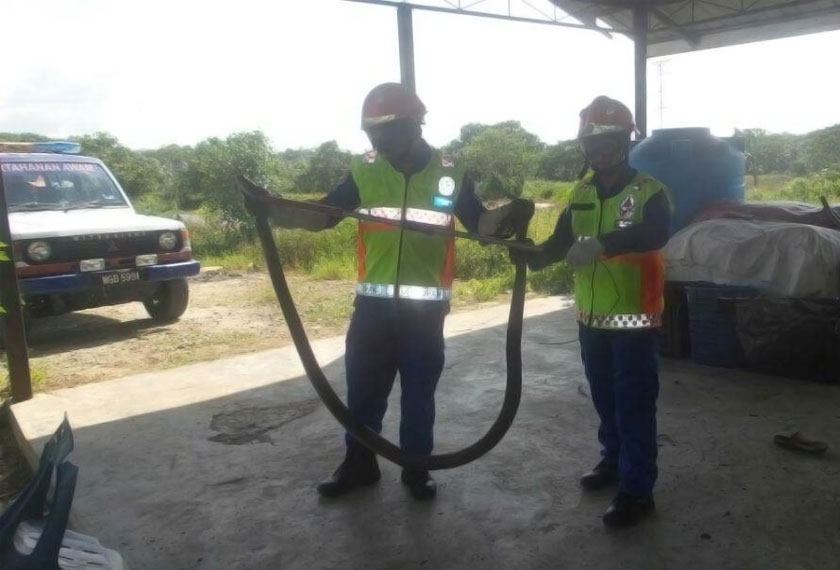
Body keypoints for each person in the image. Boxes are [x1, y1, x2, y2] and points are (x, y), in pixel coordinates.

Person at [247, 82, 533, 501]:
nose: (378, 144)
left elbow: (481, 227)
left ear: (415, 126)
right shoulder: (366, 169)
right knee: (363, 392)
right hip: (373, 308)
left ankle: (417, 469)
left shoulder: (449, 171)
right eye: (371, 135)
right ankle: (359, 464)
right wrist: (272, 208)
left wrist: (508, 217)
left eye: (387, 134)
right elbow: (323, 216)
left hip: (425, 313)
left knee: (419, 395)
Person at [513, 96, 672, 527]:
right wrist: (531, 255)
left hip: (636, 321)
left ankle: (638, 491)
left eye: (606, 141)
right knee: (605, 398)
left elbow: (656, 232)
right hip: (591, 320)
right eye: (590, 142)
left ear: (625, 141)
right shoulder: (580, 193)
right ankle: (613, 461)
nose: (597, 150)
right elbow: (561, 241)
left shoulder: (650, 191)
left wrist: (605, 244)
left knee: (634, 403)